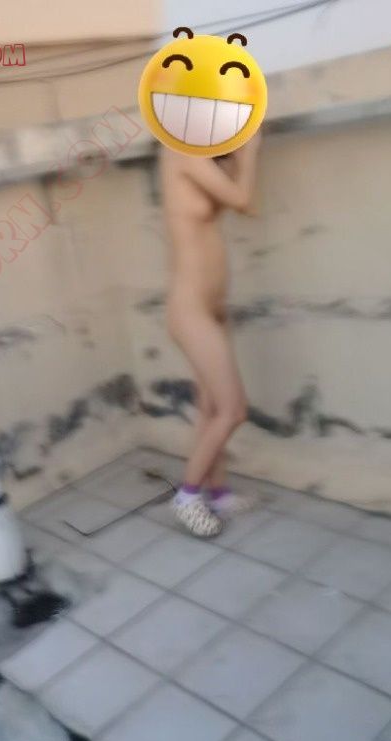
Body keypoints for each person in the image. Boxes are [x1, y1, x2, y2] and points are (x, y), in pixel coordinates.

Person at [160, 132, 261, 537]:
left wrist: (235, 154)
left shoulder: (203, 155)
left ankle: (219, 494)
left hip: (213, 306)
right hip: (190, 310)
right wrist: (252, 148)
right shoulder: (178, 152)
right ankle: (186, 498)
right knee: (233, 410)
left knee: (211, 407)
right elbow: (244, 200)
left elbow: (239, 197)